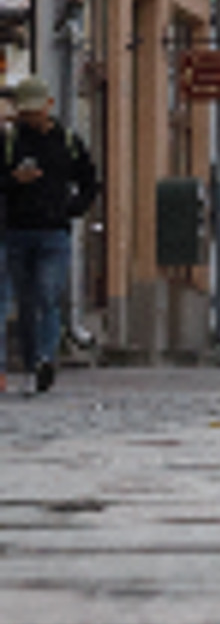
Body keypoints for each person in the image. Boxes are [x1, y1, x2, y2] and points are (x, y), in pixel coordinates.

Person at [1, 76, 99, 395]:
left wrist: (73, 208)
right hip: (16, 232)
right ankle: (32, 361)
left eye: (35, 111)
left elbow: (89, 180)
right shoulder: (11, 141)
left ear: (48, 106)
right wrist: (15, 180)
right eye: (24, 112)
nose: (30, 117)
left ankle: (45, 359)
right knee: (25, 302)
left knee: (47, 294)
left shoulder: (67, 141)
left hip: (54, 233)